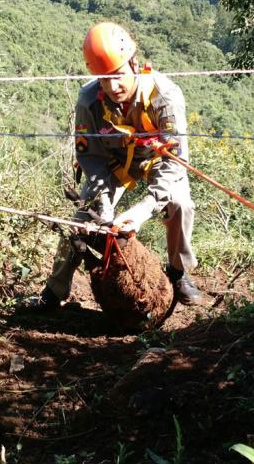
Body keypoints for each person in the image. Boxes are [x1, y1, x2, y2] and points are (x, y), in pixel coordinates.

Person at [35, 22, 201, 309]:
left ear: (134, 64)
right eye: (103, 79)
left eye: (118, 75)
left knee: (181, 206)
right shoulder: (89, 101)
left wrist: (144, 209)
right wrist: (104, 204)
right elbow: (90, 156)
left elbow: (175, 160)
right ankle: (55, 288)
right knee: (83, 220)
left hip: (157, 162)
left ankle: (178, 271)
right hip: (113, 164)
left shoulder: (164, 97)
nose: (112, 87)